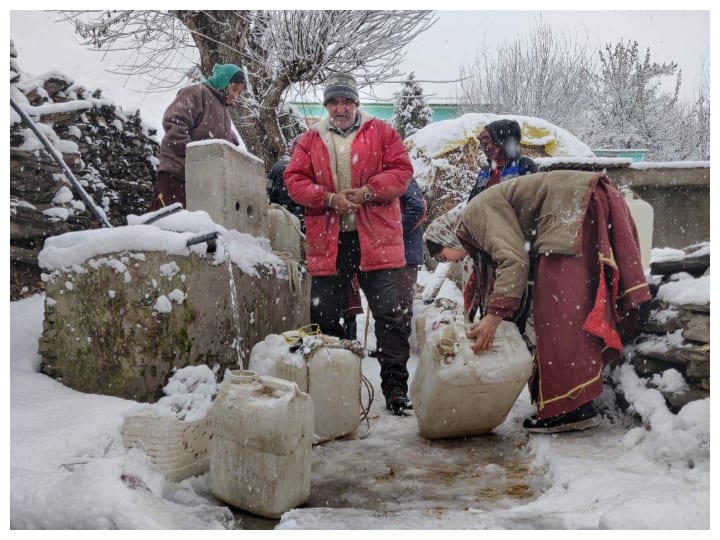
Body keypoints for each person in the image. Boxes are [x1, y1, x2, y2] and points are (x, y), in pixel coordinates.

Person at [425, 170, 652, 433]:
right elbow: (509, 262)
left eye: (443, 256)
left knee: (558, 316)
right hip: (576, 205)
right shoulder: (477, 225)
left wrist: (494, 315)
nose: (450, 261)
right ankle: (573, 401)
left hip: (571, 207)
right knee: (573, 310)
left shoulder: (473, 214)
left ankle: (572, 409)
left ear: (445, 236)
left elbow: (513, 259)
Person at [284, 72, 414, 415]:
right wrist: (328, 199)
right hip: (330, 241)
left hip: (376, 240)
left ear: (356, 103)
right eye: (334, 102)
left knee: (389, 315)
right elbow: (293, 180)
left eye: (347, 101)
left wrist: (369, 191)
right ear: (326, 105)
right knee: (324, 316)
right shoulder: (309, 140)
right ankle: (337, 389)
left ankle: (396, 389)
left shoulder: (382, 132)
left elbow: (402, 171)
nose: (340, 108)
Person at [149, 63, 247, 211]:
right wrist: (193, 155)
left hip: (199, 179)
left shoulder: (224, 112)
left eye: (239, 93)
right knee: (166, 223)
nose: (235, 95)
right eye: (234, 89)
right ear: (223, 81)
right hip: (177, 174)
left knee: (189, 229)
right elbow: (174, 121)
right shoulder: (197, 93)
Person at [467, 118, 537, 202]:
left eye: (488, 142)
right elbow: (471, 204)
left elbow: (529, 203)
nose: (485, 148)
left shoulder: (523, 166)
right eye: (482, 144)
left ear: (504, 143)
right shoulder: (484, 172)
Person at [396, 178, 427, 345]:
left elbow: (418, 208)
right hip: (396, 250)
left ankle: (398, 345)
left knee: (401, 299)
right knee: (392, 299)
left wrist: (392, 228)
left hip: (406, 251)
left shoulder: (403, 179)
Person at [267, 134, 306, 230]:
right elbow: (284, 203)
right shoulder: (288, 169)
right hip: (285, 224)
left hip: (278, 221)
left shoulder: (282, 165)